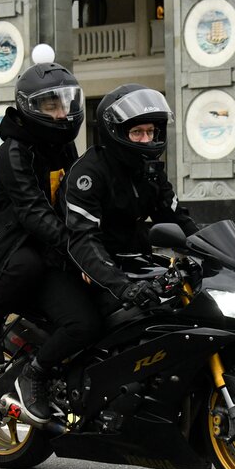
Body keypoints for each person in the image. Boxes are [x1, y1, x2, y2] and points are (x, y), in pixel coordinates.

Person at [0, 54, 100, 423]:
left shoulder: (63, 146)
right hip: (10, 241)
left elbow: (75, 197)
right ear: (30, 107)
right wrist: (80, 252)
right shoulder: (14, 152)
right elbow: (33, 212)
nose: (62, 113)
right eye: (51, 105)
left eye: (66, 103)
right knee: (30, 266)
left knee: (98, 309)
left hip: (51, 242)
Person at [61, 84, 198, 316]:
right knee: (86, 328)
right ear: (115, 133)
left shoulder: (149, 172)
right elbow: (83, 239)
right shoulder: (89, 175)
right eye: (137, 132)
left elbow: (177, 218)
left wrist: (222, 255)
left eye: (150, 131)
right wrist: (123, 287)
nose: (146, 140)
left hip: (137, 265)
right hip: (92, 272)